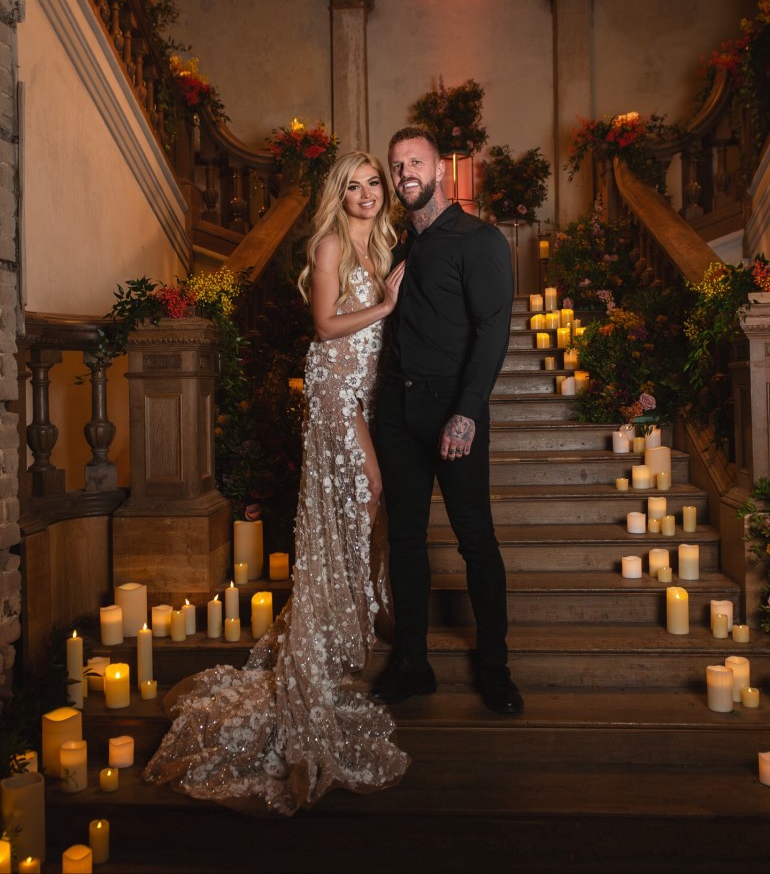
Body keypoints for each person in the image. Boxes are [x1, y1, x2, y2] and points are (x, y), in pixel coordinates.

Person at [144, 151, 408, 815]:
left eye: (374, 183)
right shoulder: (326, 248)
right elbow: (324, 328)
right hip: (332, 397)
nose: (367, 194)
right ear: (339, 195)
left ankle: (349, 619)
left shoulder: (381, 246)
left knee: (367, 504)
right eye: (355, 186)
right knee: (366, 493)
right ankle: (332, 637)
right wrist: (386, 307)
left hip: (363, 396)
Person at [372, 126, 523, 716]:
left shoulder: (479, 240)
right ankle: (413, 663)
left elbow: (492, 333)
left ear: (440, 171)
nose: (405, 171)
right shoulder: (396, 248)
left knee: (476, 540)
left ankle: (495, 666)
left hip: (453, 412)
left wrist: (466, 413)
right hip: (396, 413)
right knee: (405, 540)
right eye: (396, 164)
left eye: (415, 161)